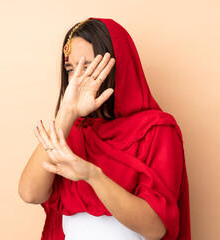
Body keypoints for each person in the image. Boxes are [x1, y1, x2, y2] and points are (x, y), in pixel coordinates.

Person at [18, 17, 191, 240]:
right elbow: (30, 193)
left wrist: (93, 176)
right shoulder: (74, 128)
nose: (77, 78)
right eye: (70, 68)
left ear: (118, 65)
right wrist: (67, 112)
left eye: (88, 66)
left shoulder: (157, 129)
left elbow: (155, 229)